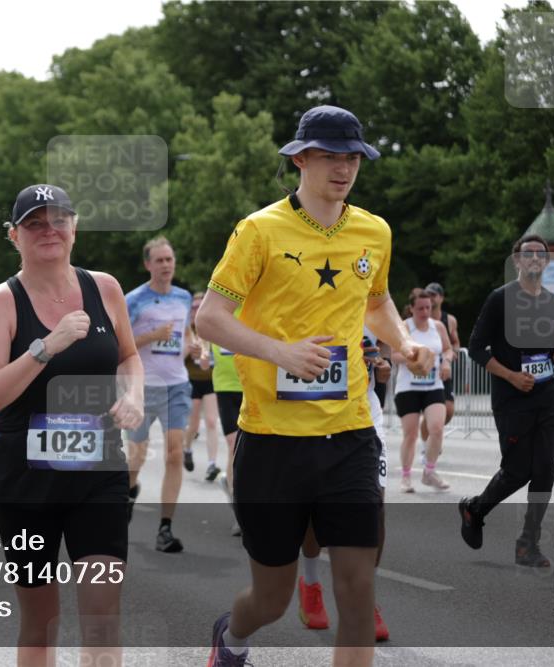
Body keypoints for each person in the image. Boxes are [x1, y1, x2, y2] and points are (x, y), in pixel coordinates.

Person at [196, 105, 433, 667]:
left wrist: (402, 344)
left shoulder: (374, 231)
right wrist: (279, 351)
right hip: (272, 440)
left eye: (352, 157)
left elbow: (375, 303)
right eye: (330, 156)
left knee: (357, 593)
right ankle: (231, 639)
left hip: (349, 433)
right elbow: (209, 318)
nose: (343, 168)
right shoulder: (259, 231)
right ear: (300, 158)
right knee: (271, 600)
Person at [0, 184, 143, 666]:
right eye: (34, 223)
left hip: (98, 473)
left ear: (75, 226)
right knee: (40, 624)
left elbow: (129, 357)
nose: (49, 230)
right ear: (15, 236)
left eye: (59, 219)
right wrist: (45, 346)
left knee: (103, 620)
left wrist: (132, 396)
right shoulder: (0, 302)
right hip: (27, 482)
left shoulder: (104, 288)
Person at [459, 234, 554, 567]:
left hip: (547, 397)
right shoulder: (500, 300)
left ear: (546, 263)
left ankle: (527, 544)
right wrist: (511, 376)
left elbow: (547, 350)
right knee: (517, 471)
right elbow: (476, 348)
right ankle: (475, 509)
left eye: (540, 254)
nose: (534, 258)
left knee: (545, 469)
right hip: (512, 399)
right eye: (527, 254)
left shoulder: (553, 303)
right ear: (517, 261)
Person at [296, 327, 392, 641]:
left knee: (374, 507)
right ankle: (310, 583)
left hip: (364, 413)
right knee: (315, 505)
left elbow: (385, 348)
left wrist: (383, 365)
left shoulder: (372, 295)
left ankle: (365, 598)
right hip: (314, 409)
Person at [124, 236, 196, 552]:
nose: (166, 265)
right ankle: (129, 489)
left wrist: (196, 348)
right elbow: (120, 345)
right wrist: (152, 335)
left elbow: (187, 333)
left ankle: (165, 528)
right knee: (136, 457)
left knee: (175, 453)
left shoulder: (183, 298)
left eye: (170, 259)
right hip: (142, 388)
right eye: (160, 260)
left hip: (176, 386)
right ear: (148, 264)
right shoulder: (134, 300)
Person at [394, 289, 453, 493]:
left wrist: (446, 361)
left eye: (429, 307)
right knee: (410, 435)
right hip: (408, 387)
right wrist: (416, 357)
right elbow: (394, 355)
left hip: (433, 385)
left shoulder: (438, 326)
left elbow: (448, 349)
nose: (425, 312)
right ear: (411, 309)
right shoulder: (404, 327)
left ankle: (429, 471)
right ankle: (406, 477)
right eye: (420, 308)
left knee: (436, 428)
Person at [210, 304, 244, 537]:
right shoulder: (217, 306)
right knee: (234, 446)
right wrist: (203, 357)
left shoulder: (255, 305)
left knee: (252, 450)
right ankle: (240, 513)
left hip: (252, 385)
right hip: (226, 387)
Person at [184, 291, 222, 481]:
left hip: (211, 380)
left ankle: (212, 464)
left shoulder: (211, 329)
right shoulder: (187, 330)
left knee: (211, 421)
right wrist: (190, 350)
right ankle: (187, 448)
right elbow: (179, 359)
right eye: (193, 308)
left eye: (200, 307)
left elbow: (211, 358)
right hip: (191, 381)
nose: (196, 311)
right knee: (193, 424)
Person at [420, 282, 460, 461]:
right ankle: (427, 445)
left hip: (442, 371)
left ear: (441, 298)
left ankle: (433, 432)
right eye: (428, 294)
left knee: (449, 409)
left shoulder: (448, 320)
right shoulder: (420, 316)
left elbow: (455, 342)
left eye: (434, 295)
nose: (431, 297)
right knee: (430, 410)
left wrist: (452, 355)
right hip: (425, 371)